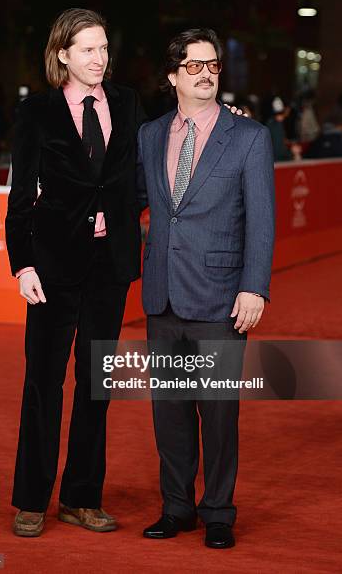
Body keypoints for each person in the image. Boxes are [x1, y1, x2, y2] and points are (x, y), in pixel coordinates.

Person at [5, 8, 147, 537]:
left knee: (96, 386)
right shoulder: (36, 112)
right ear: (62, 54)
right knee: (44, 383)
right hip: (53, 265)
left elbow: (141, 168)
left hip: (109, 268)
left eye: (105, 48)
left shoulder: (129, 103)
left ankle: (81, 497)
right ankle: (31, 499)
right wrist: (22, 264)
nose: (100, 58)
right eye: (88, 49)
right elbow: (19, 200)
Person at [136, 28, 275, 549]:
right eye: (192, 66)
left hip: (221, 297)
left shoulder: (250, 137)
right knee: (169, 412)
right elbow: (130, 197)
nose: (204, 74)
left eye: (211, 65)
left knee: (218, 413)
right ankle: (177, 508)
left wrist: (254, 288)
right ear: (173, 76)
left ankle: (218, 510)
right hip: (163, 296)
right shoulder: (149, 135)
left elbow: (262, 220)